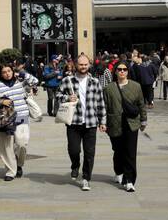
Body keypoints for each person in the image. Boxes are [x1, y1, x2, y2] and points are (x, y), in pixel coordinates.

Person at [57, 53, 107, 191]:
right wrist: (67, 98)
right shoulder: (68, 80)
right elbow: (57, 95)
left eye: (86, 64)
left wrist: (103, 121)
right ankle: (75, 165)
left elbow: (101, 103)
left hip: (90, 122)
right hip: (73, 122)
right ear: (75, 65)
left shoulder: (95, 82)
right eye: (81, 64)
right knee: (74, 150)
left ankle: (86, 178)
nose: (83, 67)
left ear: (89, 65)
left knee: (89, 152)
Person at [0, 62, 38, 180]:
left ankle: (19, 164)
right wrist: (1, 102)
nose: (7, 74)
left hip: (21, 116)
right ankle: (10, 171)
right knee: (7, 147)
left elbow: (35, 81)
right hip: (5, 119)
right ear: (1, 74)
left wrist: (23, 73)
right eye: (4, 72)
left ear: (13, 71)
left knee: (22, 143)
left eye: (9, 71)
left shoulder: (21, 83)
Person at [104, 60, 147, 192]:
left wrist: (143, 120)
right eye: (119, 69)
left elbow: (141, 104)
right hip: (114, 123)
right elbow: (104, 107)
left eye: (124, 69)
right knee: (118, 150)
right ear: (115, 72)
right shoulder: (108, 88)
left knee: (130, 152)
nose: (122, 71)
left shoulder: (136, 86)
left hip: (131, 123)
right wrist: (103, 122)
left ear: (128, 71)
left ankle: (129, 180)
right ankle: (119, 171)